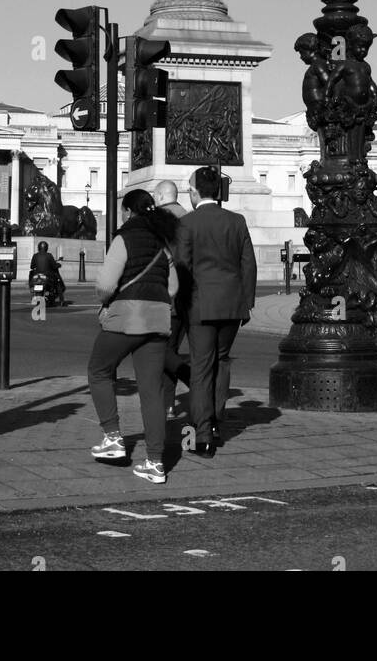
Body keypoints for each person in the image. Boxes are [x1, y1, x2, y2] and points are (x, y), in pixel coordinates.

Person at [88, 190, 179, 485]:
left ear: (128, 212)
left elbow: (106, 284)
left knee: (99, 370)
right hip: (158, 317)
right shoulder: (163, 242)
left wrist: (105, 301)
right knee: (152, 390)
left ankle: (113, 437)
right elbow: (173, 287)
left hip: (127, 316)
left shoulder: (124, 238)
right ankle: (155, 463)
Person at [175, 166, 257, 458]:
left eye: (189, 190)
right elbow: (248, 263)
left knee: (201, 368)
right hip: (232, 304)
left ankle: (203, 434)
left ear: (195, 192)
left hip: (200, 305)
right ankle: (216, 421)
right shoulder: (237, 221)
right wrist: (246, 302)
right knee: (221, 362)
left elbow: (182, 268)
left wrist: (181, 305)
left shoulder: (187, 223)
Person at [153, 181, 190, 417]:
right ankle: (168, 403)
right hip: (190, 296)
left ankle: (166, 402)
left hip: (164, 295)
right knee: (172, 348)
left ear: (159, 196)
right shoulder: (190, 219)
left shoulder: (155, 221)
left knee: (161, 351)